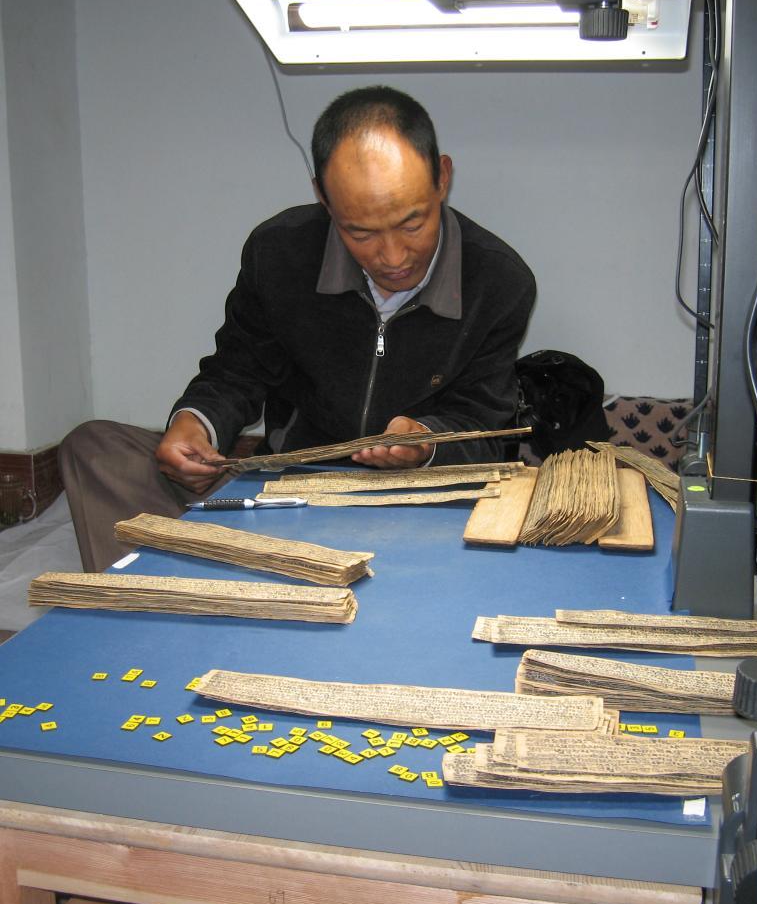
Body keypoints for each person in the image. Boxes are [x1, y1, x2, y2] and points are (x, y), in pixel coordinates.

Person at [60, 86, 536, 571]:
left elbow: (487, 430)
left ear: (442, 178)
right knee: (96, 449)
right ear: (323, 198)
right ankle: (161, 595)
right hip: (289, 494)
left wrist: (427, 442)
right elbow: (238, 371)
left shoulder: (498, 281)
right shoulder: (279, 254)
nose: (393, 257)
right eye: (360, 232)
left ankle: (236, 572)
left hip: (416, 506)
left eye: (412, 224)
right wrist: (195, 424)